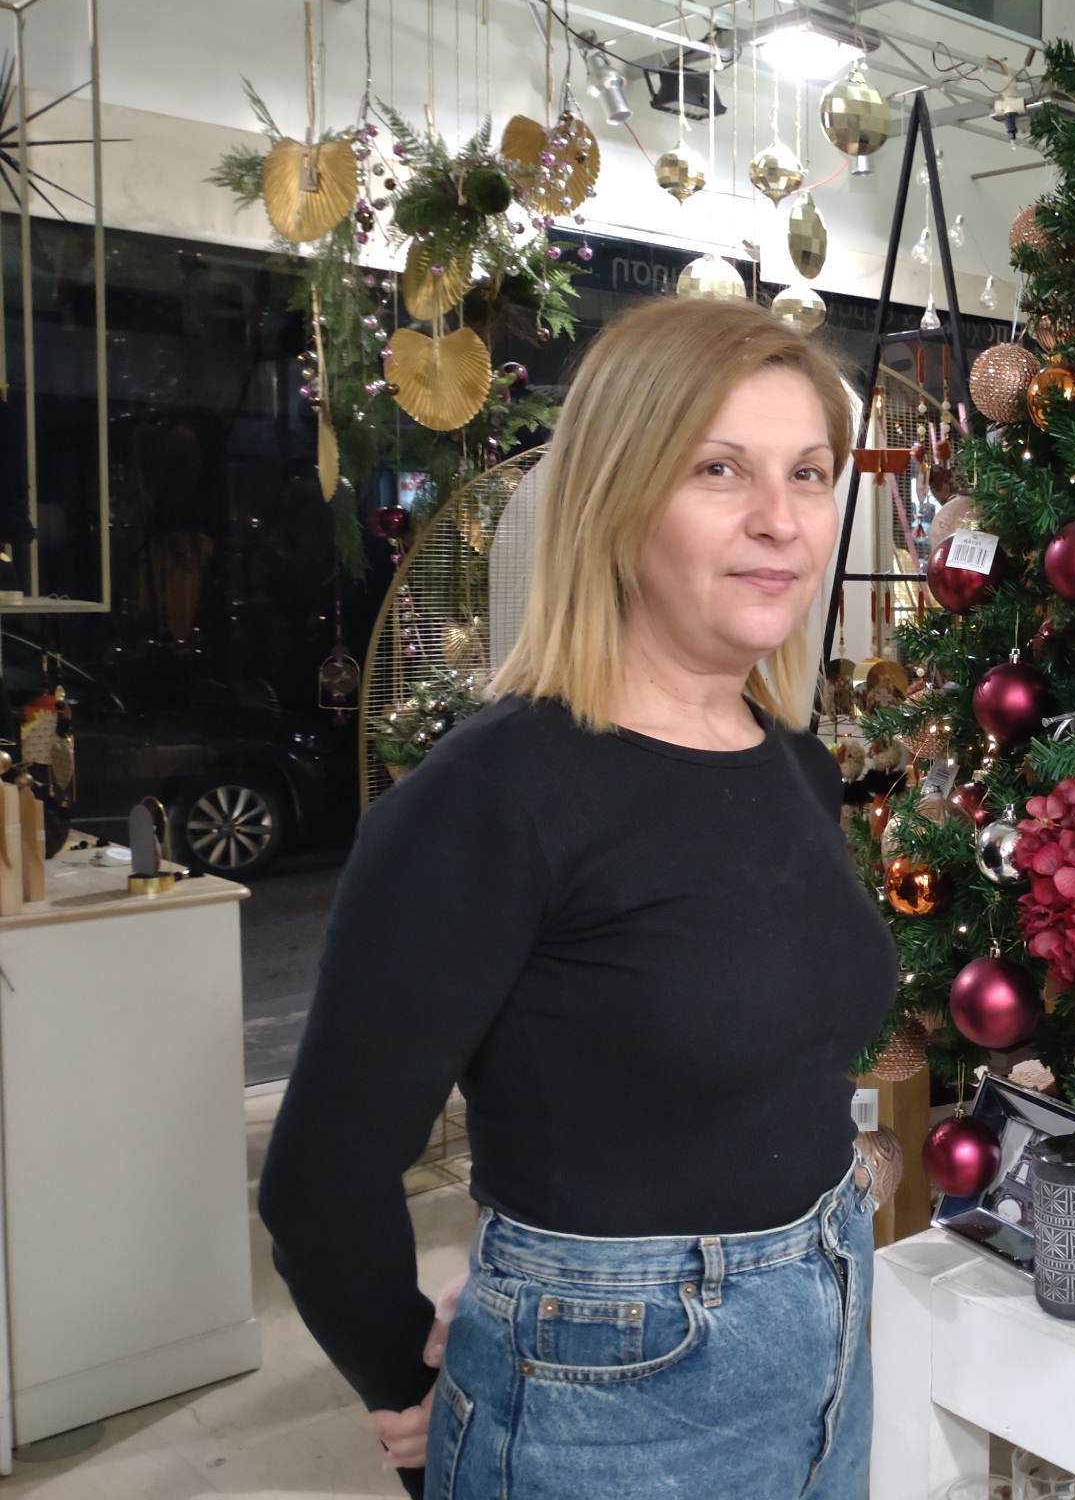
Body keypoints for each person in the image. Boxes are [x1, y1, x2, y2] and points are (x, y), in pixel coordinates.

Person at [258, 297, 898, 1498]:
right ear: (616, 495)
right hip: (611, 1398)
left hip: (825, 1335)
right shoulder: (496, 793)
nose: (780, 519)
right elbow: (321, 1182)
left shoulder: (793, 762)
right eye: (719, 469)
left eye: (808, 474)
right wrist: (403, 1378)